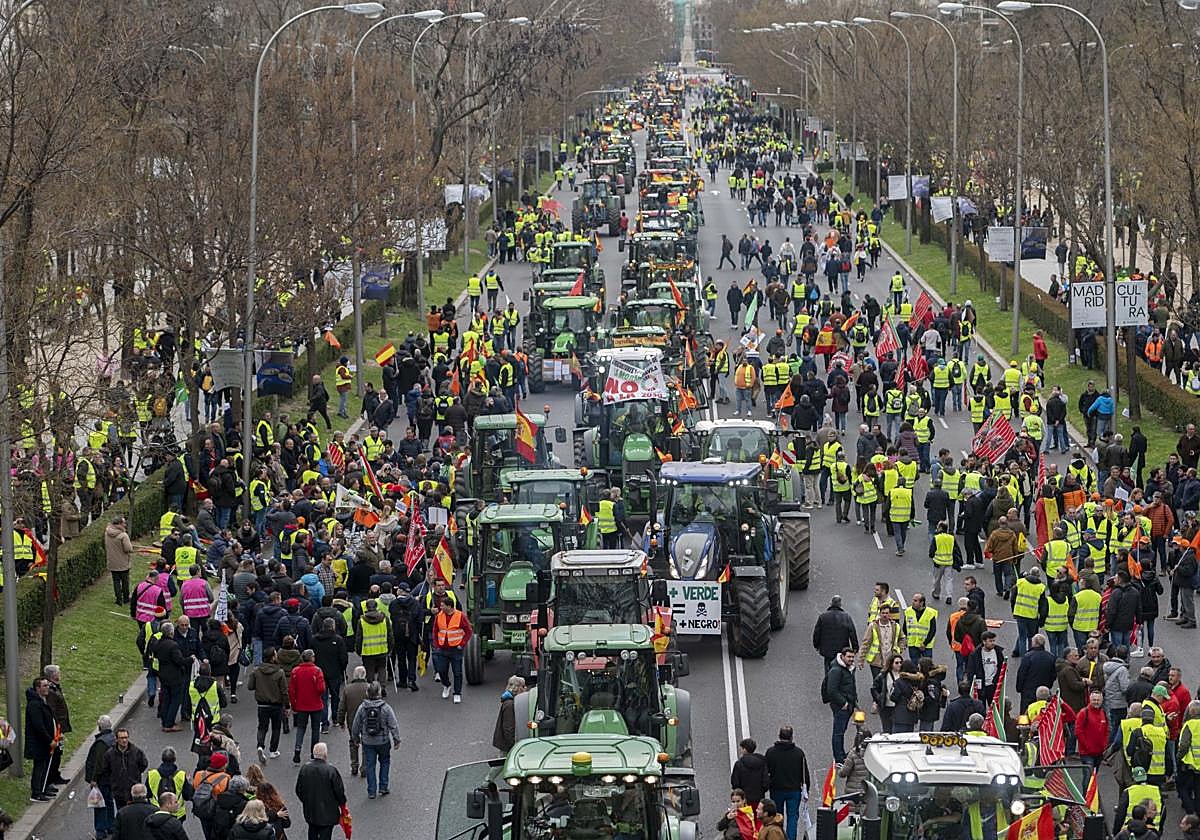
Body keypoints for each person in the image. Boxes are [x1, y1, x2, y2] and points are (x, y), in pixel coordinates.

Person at [351, 680, 401, 799]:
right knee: (385, 762)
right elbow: (393, 725)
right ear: (379, 692)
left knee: (370, 765)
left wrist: (356, 738)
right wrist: (396, 739)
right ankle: (383, 786)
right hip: (383, 741)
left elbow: (355, 725)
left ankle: (371, 791)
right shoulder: (386, 708)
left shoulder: (362, 708)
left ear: (367, 693)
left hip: (368, 742)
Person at [764, 727, 810, 840]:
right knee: (792, 818)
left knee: (777, 816)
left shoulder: (771, 752)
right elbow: (804, 774)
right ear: (791, 737)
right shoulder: (799, 753)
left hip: (776, 789)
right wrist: (806, 789)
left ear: (779, 736)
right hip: (794, 791)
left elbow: (766, 771)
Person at [294, 743, 346, 840]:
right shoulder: (331, 770)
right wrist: (342, 803)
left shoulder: (305, 769)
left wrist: (306, 801)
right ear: (325, 754)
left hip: (311, 811)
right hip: (328, 813)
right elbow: (339, 791)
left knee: (312, 832)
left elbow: (299, 790)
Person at [248, 647, 288, 763]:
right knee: (276, 728)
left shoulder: (257, 671)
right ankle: (273, 750)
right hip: (276, 705)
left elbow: (250, 686)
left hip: (262, 705)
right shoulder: (279, 672)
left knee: (262, 727)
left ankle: (260, 745)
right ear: (273, 657)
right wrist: (287, 705)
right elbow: (284, 691)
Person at [432, 596, 474, 704]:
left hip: (456, 649)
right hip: (442, 649)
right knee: (441, 670)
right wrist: (436, 644)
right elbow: (435, 630)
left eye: (442, 605)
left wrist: (462, 643)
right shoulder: (439, 616)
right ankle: (446, 685)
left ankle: (457, 693)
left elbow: (468, 631)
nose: (440, 607)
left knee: (457, 672)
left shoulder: (460, 616)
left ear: (449, 606)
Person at [287, 649, 326, 764]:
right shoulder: (317, 671)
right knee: (315, 729)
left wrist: (294, 705)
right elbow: (321, 688)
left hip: (301, 705)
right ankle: (314, 754)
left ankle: (297, 750)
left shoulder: (295, 671)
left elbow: (292, 690)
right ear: (311, 658)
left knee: (301, 728)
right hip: (315, 705)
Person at [85, 714, 117, 839]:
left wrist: (94, 779)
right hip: (111, 777)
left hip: (102, 779)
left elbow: (98, 763)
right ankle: (110, 825)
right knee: (109, 802)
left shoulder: (101, 742)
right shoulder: (113, 738)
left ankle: (100, 829)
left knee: (99, 804)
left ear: (99, 727)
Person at [824, 647, 858, 763]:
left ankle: (841, 755)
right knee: (838, 733)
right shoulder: (837, 670)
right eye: (848, 657)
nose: (851, 659)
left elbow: (849, 685)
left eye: (852, 657)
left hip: (848, 704)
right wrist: (844, 703)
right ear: (842, 656)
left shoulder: (848, 668)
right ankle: (839, 759)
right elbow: (831, 690)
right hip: (841, 706)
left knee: (841, 731)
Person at [25, 676, 56, 801]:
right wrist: (50, 740)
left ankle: (43, 788)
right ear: (37, 688)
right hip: (39, 743)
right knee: (39, 766)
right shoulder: (34, 704)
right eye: (44, 686)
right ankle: (37, 792)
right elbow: (39, 726)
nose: (47, 688)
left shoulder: (41, 701)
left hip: (44, 742)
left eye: (47, 685)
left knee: (44, 765)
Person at [337, 665, 371, 777]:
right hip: (367, 721)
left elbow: (342, 707)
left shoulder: (348, 689)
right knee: (366, 743)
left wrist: (340, 721)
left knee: (353, 742)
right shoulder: (369, 687)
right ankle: (364, 767)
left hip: (352, 720)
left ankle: (354, 765)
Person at [812, 596, 858, 672]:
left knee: (828, 669)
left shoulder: (823, 617)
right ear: (840, 605)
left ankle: (828, 682)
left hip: (827, 651)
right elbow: (852, 633)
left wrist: (816, 645)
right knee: (841, 669)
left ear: (831, 604)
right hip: (841, 650)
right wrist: (855, 647)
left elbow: (817, 633)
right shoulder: (846, 617)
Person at [730, 737, 770, 808]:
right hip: (758, 796)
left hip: (744, 798)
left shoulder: (739, 764)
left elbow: (735, 782)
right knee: (757, 816)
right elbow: (765, 781)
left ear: (745, 749)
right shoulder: (762, 762)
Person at [105, 515, 135, 606]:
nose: (125, 525)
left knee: (116, 581)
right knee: (125, 581)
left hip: (112, 562)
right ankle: (126, 598)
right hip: (123, 563)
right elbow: (128, 549)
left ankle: (118, 600)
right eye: (123, 523)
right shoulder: (123, 535)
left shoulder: (107, 532)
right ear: (119, 524)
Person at [493, 675, 526, 755]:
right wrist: (514, 746)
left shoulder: (509, 701)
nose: (526, 688)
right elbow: (509, 728)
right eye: (523, 686)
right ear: (519, 688)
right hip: (507, 747)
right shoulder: (510, 705)